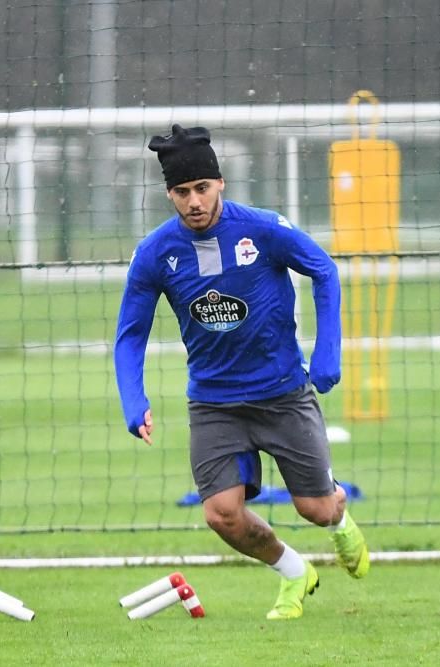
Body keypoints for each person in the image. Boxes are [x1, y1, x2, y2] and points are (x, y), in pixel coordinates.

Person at [113, 124, 369, 620]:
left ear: (220, 184)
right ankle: (295, 574)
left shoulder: (263, 229)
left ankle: (338, 515)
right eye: (182, 192)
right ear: (169, 193)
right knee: (220, 514)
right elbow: (130, 335)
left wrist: (327, 353)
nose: (193, 202)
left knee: (314, 510)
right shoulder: (154, 254)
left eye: (202, 188)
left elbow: (324, 270)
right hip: (213, 403)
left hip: (282, 393)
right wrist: (133, 399)